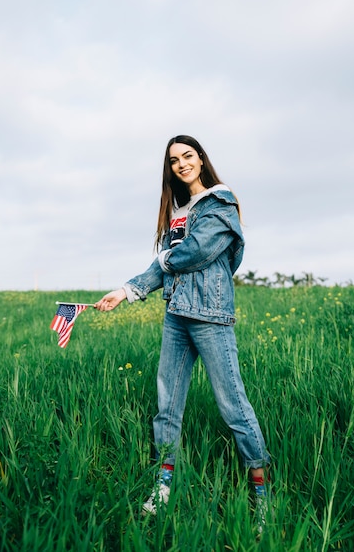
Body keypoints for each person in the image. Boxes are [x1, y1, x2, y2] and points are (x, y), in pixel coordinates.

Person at [94, 135, 271, 525]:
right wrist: (125, 291)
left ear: (201, 159)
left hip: (209, 314)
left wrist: (164, 259)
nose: (181, 164)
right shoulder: (178, 211)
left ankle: (261, 493)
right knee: (167, 404)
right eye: (174, 160)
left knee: (233, 407)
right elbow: (167, 264)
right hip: (176, 314)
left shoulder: (219, 202)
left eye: (188, 156)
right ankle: (163, 483)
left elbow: (199, 251)